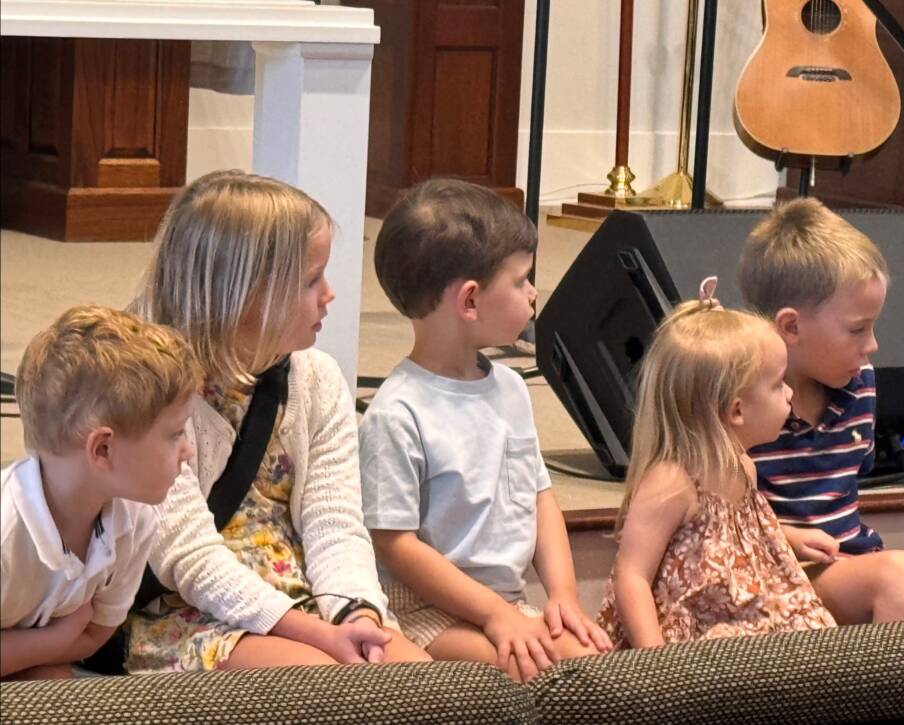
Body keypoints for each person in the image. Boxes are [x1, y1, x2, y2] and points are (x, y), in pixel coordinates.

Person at [123, 170, 430, 672]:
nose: (329, 294)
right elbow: (189, 558)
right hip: (191, 612)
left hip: (311, 605)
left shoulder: (317, 379)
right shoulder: (147, 387)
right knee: (327, 686)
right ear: (241, 292)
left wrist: (358, 614)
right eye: (311, 280)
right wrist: (313, 634)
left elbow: (336, 525)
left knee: (433, 687)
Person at [359, 179, 610, 683]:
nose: (534, 292)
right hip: (427, 613)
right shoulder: (397, 413)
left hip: (506, 601)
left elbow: (540, 498)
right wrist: (494, 615)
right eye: (520, 281)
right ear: (470, 301)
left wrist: (562, 595)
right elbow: (395, 544)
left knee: (595, 667)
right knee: (526, 678)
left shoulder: (513, 389)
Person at [738, 198, 904, 624]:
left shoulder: (859, 384)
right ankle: (884, 690)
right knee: (901, 576)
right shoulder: (742, 406)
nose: (872, 346)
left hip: (851, 560)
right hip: (779, 576)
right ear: (791, 326)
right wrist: (790, 538)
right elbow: (719, 523)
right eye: (857, 329)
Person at [598, 300, 836, 647]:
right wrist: (656, 663)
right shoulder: (672, 483)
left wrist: (790, 538)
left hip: (752, 613)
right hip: (697, 635)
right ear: (736, 411)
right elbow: (631, 575)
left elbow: (731, 537)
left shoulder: (743, 466)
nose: (790, 393)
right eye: (777, 384)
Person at [1, 306, 199, 679]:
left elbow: (96, 633)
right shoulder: (6, 533)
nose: (188, 451)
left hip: (29, 656)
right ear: (103, 449)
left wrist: (47, 650)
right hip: (40, 647)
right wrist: (56, 640)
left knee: (58, 694)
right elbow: (76, 635)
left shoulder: (135, 519)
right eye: (175, 434)